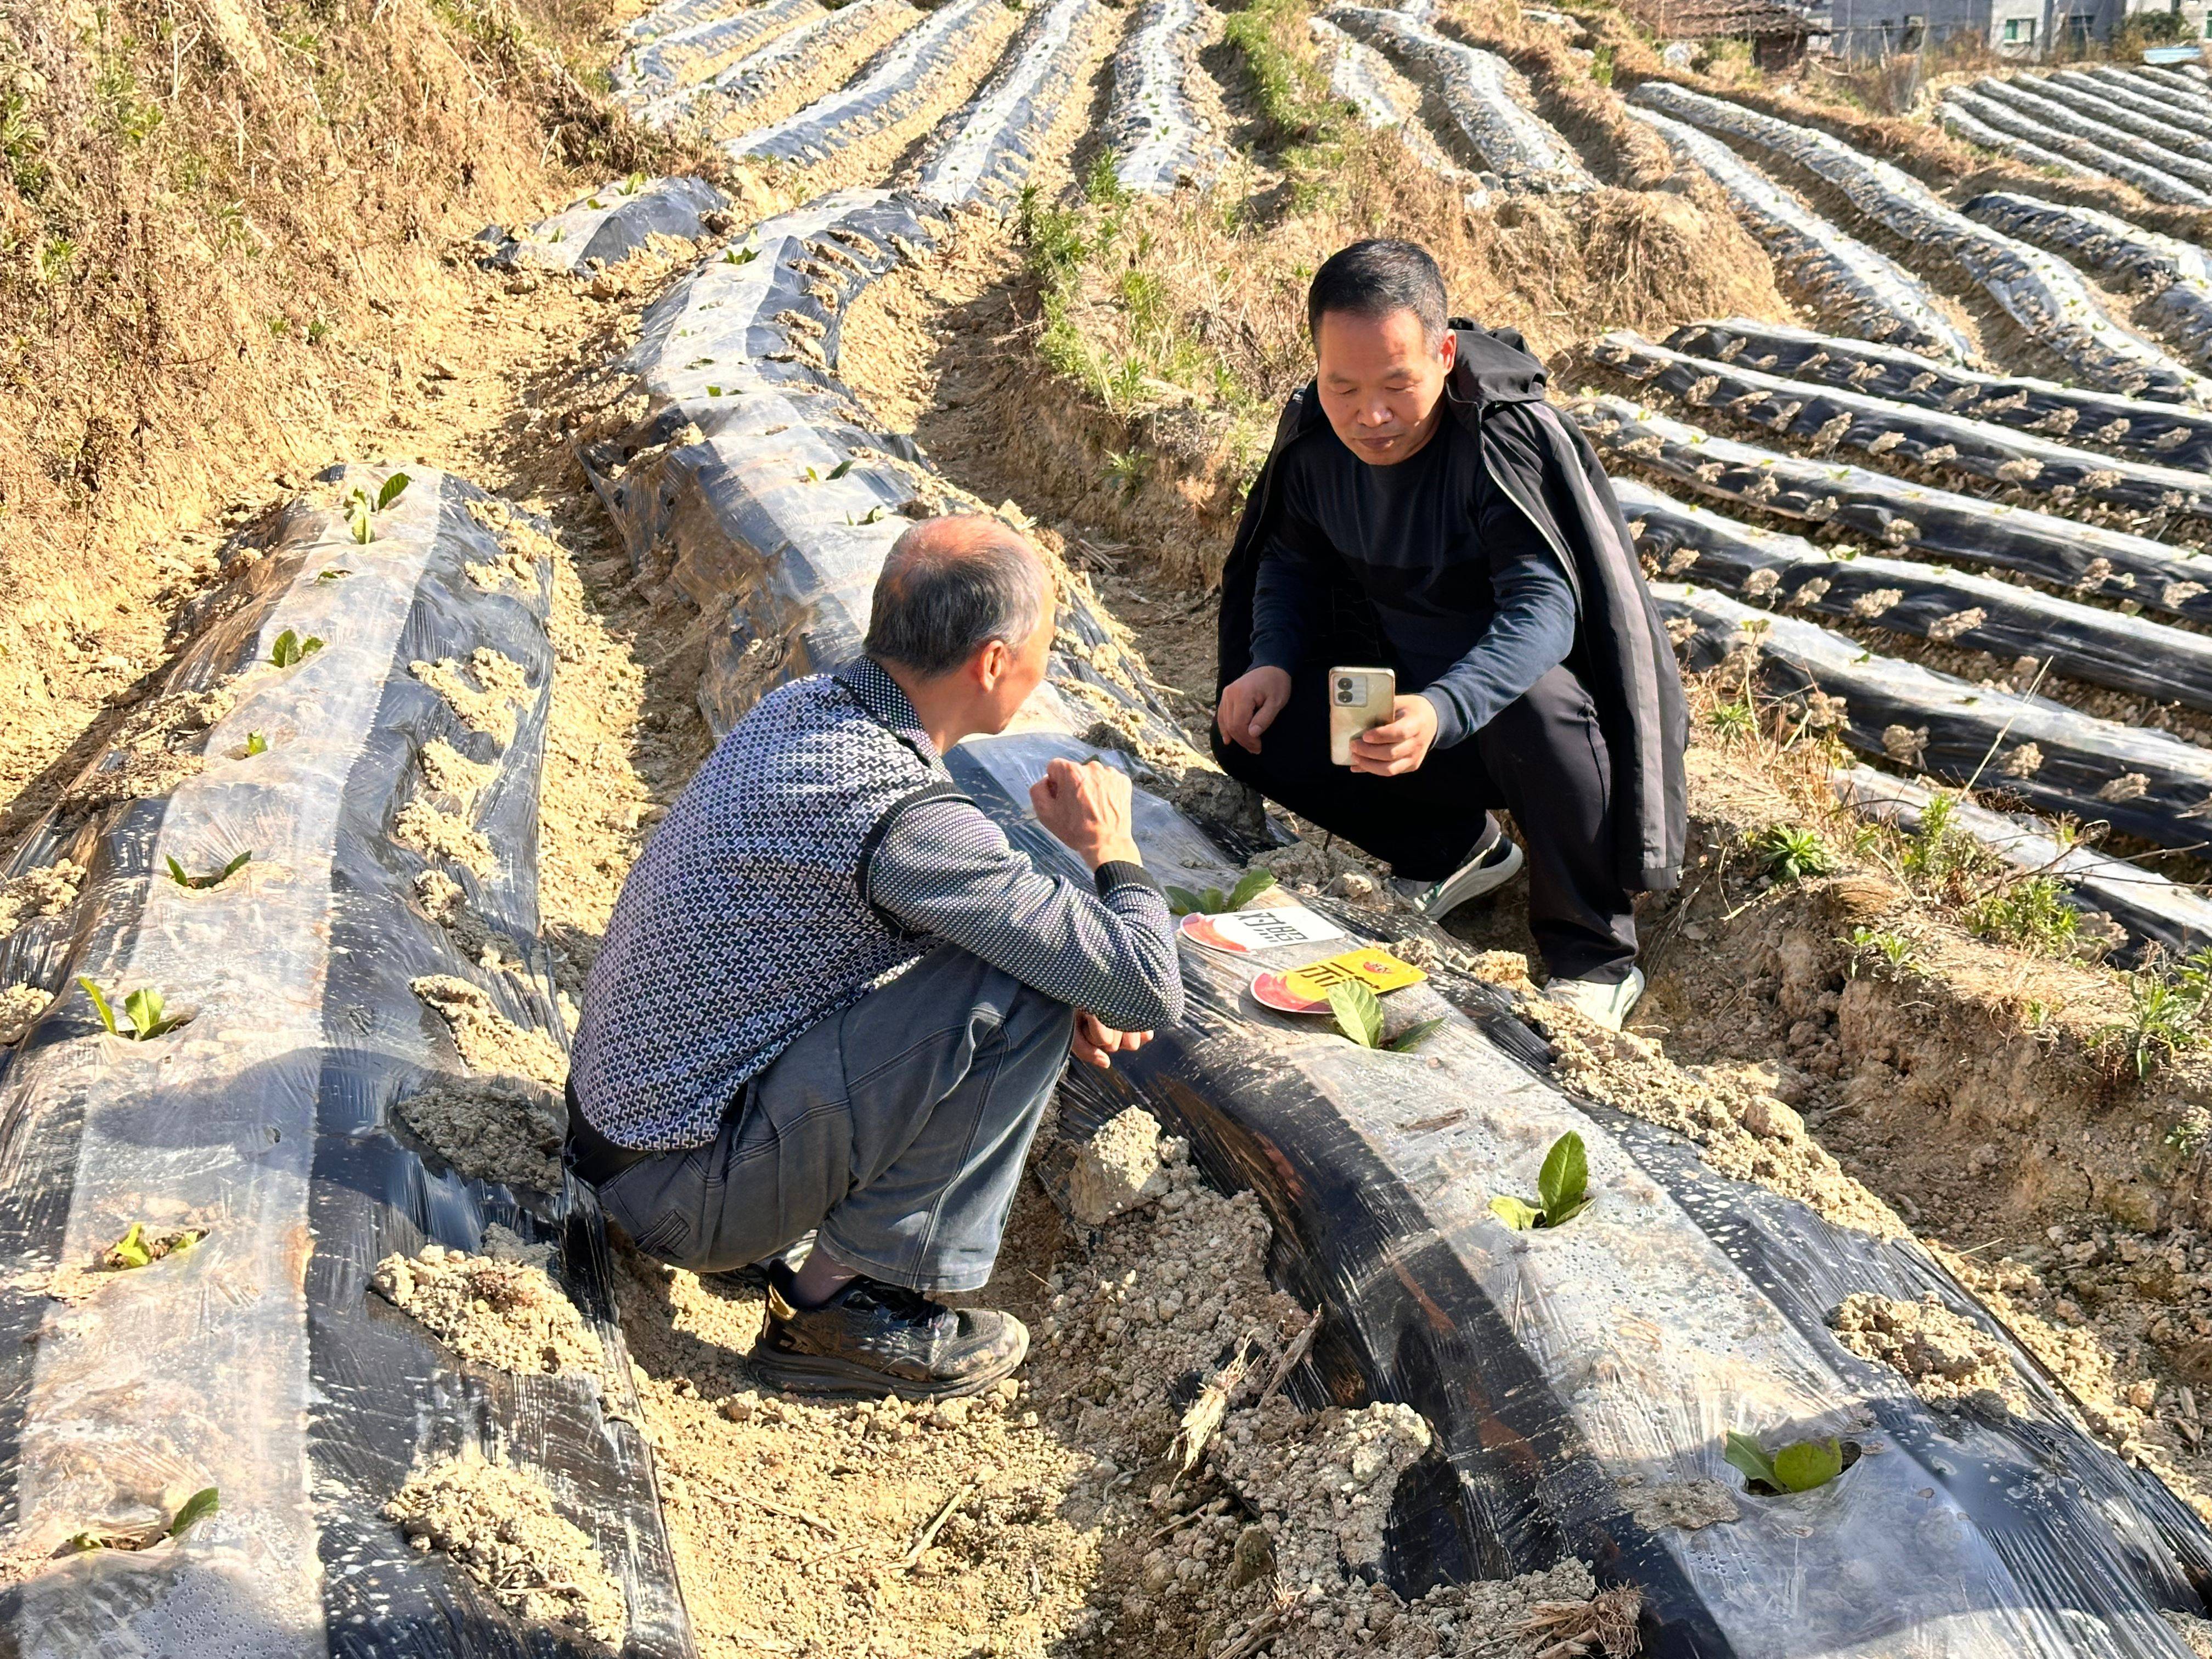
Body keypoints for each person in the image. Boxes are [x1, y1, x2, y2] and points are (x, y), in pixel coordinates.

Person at [566, 516, 1184, 1399]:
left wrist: (1074, 953)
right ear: (994, 663)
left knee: (1037, 961)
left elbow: (959, 890)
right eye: (1051, 643)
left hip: (627, 1145)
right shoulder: (899, 812)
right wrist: (1111, 850)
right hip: (678, 1191)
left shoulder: (812, 713)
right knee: (1023, 989)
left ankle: (817, 1261)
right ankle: (847, 1308)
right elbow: (1147, 984)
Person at [1212, 239, 1686, 1031]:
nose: (1372, 415)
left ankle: (1591, 952)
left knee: (1538, 705)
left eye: (1399, 383)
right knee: (1254, 732)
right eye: (1344, 386)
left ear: (1445, 353)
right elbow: (1290, 562)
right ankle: (1451, 849)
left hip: (1517, 732)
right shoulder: (1316, 445)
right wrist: (1274, 663)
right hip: (1403, 704)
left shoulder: (1500, 440)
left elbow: (1544, 610)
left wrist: (1441, 709)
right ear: (1317, 367)